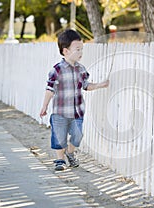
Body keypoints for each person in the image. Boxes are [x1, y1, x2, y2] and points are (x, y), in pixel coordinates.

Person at [40, 29, 109, 171]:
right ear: (65, 51)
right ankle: (60, 159)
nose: (80, 52)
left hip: (77, 111)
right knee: (59, 137)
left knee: (78, 135)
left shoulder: (81, 69)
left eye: (81, 49)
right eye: (77, 49)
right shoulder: (57, 70)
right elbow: (49, 89)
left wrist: (100, 85)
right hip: (60, 112)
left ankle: (70, 152)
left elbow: (85, 86)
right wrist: (45, 106)